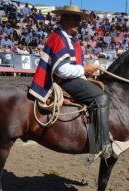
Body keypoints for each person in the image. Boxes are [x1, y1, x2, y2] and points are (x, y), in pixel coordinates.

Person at [29, 5, 116, 161]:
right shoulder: (59, 38)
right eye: (75, 19)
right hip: (63, 81)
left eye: (79, 19)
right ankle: (103, 145)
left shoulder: (70, 39)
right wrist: (84, 70)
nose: (79, 23)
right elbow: (61, 70)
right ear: (65, 18)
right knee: (101, 98)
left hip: (72, 79)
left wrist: (84, 75)